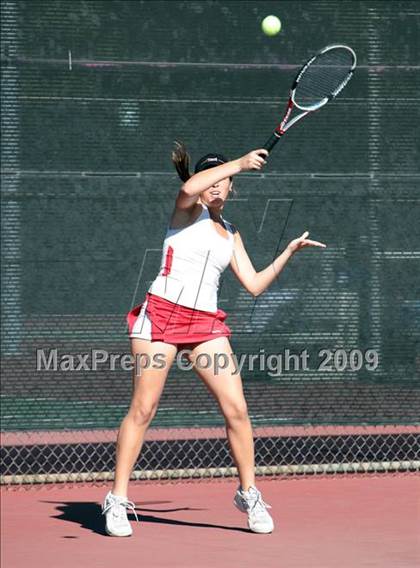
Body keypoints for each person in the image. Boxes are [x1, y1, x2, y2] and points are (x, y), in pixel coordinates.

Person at [102, 142, 326, 536]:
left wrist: (289, 251)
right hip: (161, 317)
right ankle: (117, 500)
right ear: (203, 185)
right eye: (213, 179)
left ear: (232, 188)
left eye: (226, 180)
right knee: (144, 408)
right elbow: (188, 189)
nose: (219, 186)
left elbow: (254, 285)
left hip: (205, 325)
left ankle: (249, 493)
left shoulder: (231, 233)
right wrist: (237, 163)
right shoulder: (187, 212)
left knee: (237, 409)